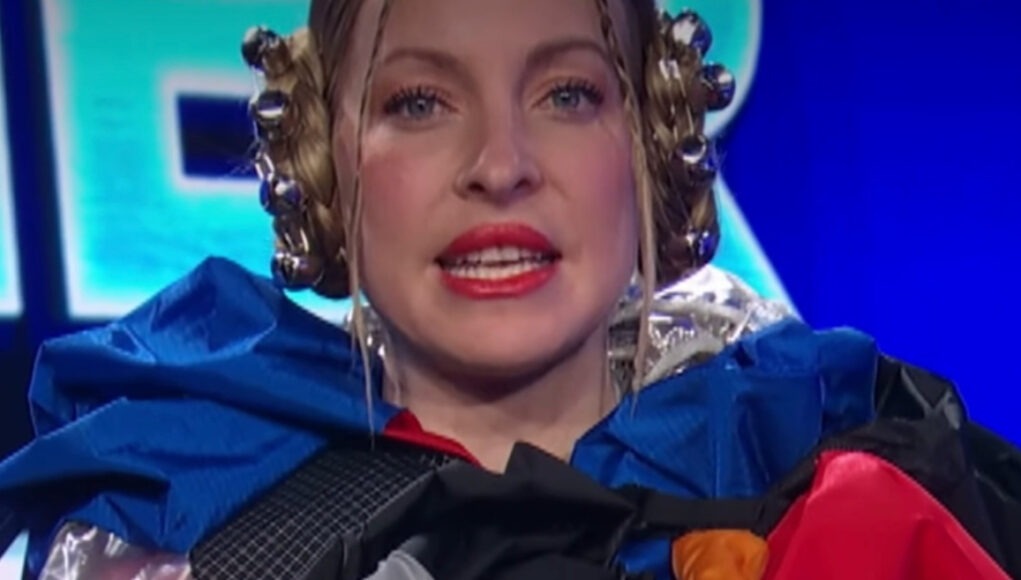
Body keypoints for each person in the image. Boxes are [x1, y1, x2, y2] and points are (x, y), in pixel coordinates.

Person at [0, 0, 1019, 578]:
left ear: (649, 134)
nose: (501, 164)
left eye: (567, 93)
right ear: (321, 155)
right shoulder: (171, 527)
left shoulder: (841, 463)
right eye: (419, 101)